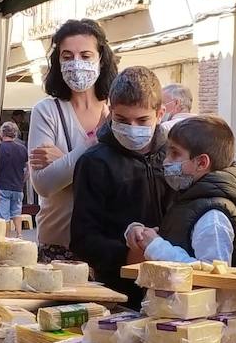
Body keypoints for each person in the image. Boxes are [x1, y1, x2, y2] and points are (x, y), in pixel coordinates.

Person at [70, 67, 176, 307]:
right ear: (110, 111)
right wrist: (127, 255)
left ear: (160, 114)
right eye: (122, 120)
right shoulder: (94, 162)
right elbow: (82, 238)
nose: (132, 128)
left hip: (175, 285)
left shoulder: (175, 156)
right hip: (120, 293)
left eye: (142, 120)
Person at [29, 19, 118, 262]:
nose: (76, 63)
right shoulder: (47, 111)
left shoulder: (117, 110)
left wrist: (65, 162)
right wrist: (93, 144)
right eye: (67, 56)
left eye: (85, 55)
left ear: (101, 58)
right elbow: (44, 185)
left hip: (107, 248)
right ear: (57, 61)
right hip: (57, 248)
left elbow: (119, 183)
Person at [125, 115, 236, 264]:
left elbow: (212, 275)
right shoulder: (190, 197)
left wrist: (156, 247)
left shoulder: (214, 217)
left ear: (201, 162)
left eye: (175, 154)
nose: (166, 161)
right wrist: (145, 236)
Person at [0, 121, 28, 219]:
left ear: (2, 133)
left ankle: (5, 234)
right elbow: (28, 167)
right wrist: (23, 180)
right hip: (18, 187)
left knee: (3, 216)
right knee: (16, 214)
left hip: (2, 186)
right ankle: (19, 234)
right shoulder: (22, 148)